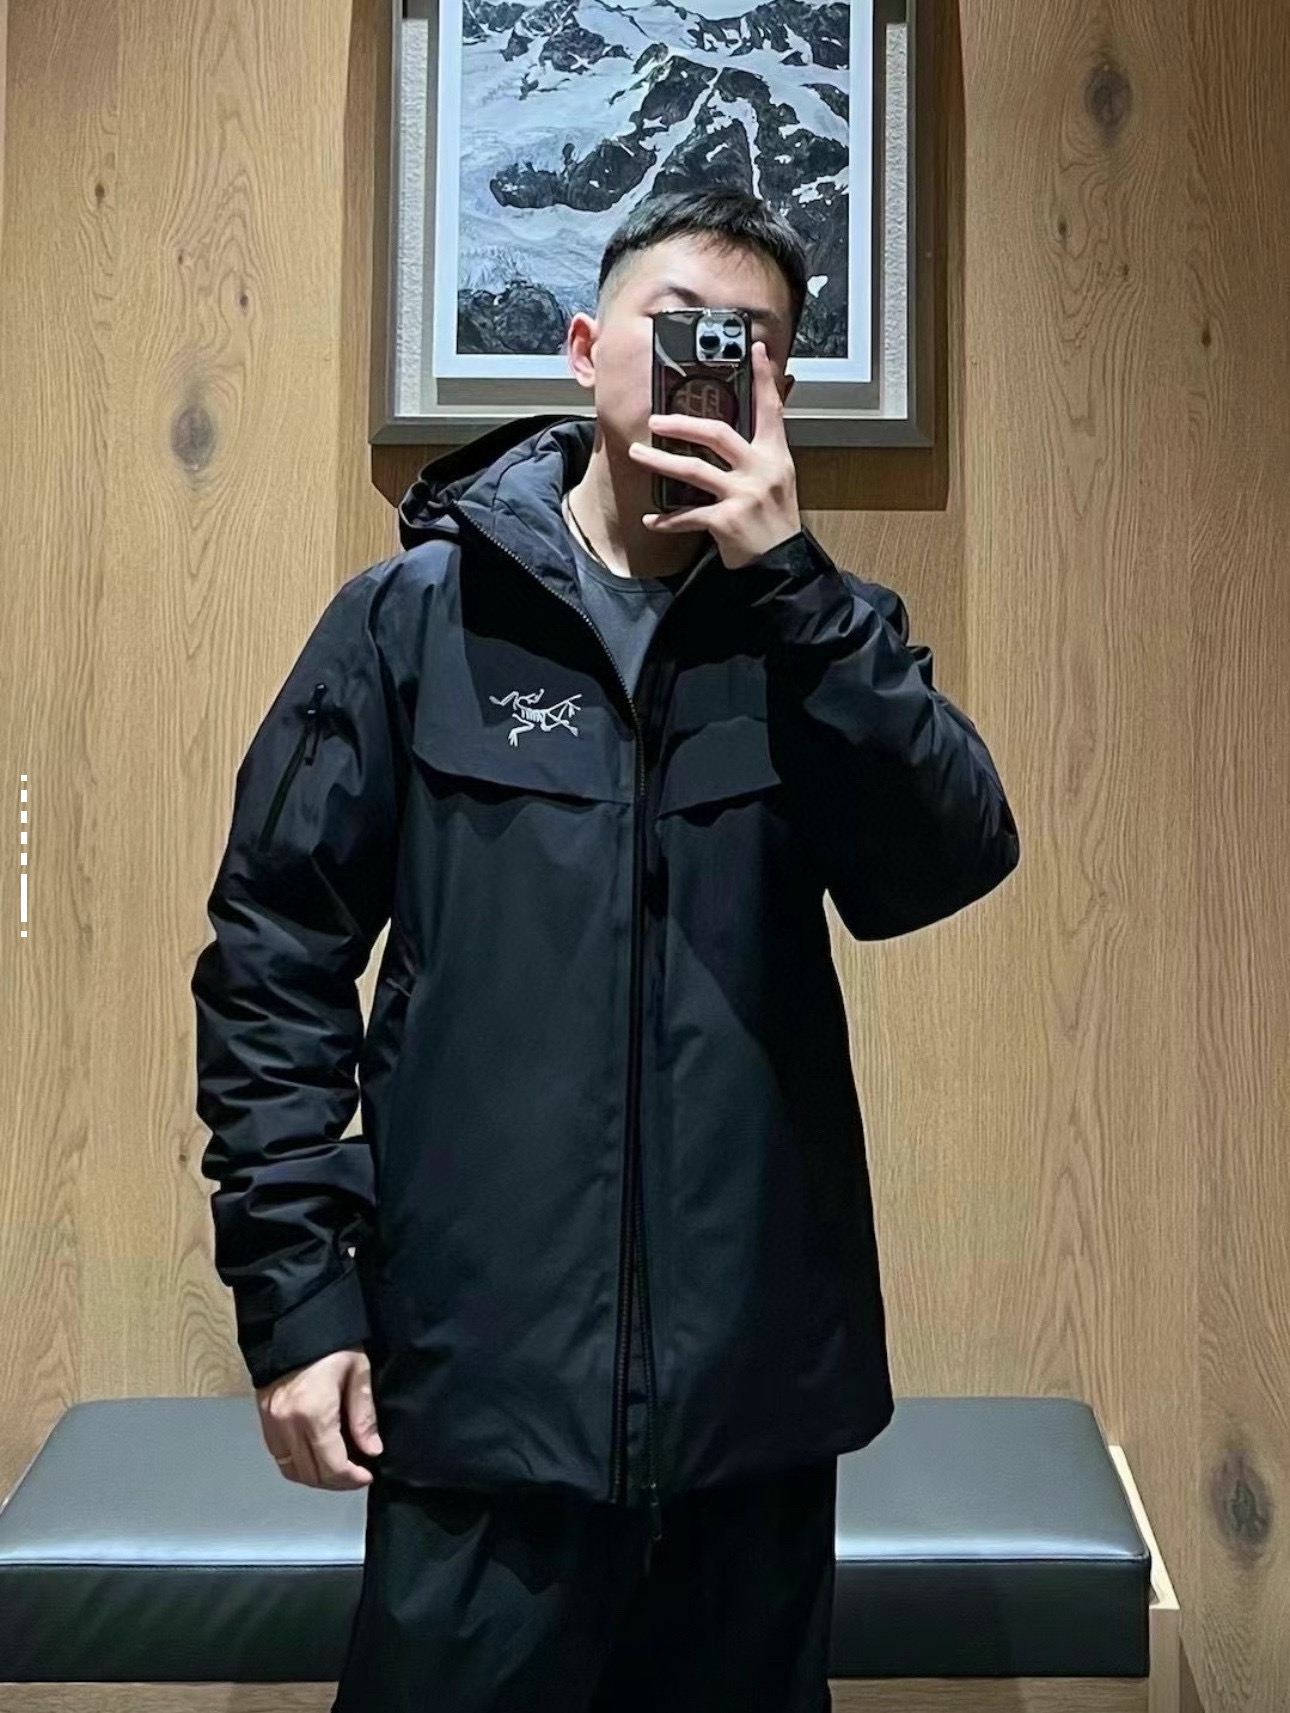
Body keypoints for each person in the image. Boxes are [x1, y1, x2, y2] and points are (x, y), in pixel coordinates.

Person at [190, 187, 1021, 1712]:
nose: (710, 360)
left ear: (782, 387)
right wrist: (296, 1299)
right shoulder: (412, 622)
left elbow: (944, 859)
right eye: (676, 325)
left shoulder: (819, 636)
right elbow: (272, 957)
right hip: (476, 1397)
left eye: (747, 343)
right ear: (583, 349)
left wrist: (791, 583)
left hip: (750, 1414)